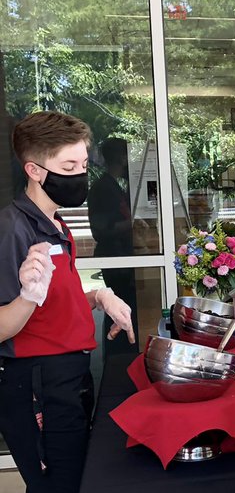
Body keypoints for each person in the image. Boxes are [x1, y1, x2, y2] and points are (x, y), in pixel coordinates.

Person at [0, 111, 134, 493]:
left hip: (67, 377)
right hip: (36, 387)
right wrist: (27, 296)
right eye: (69, 166)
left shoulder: (52, 221)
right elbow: (6, 324)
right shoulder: (13, 227)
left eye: (84, 162)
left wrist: (98, 296)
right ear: (35, 169)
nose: (81, 174)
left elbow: (57, 292)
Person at [87, 136, 138, 348]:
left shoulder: (116, 185)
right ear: (120, 157)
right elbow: (104, 229)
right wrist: (133, 223)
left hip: (122, 255)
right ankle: (117, 352)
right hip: (115, 258)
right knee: (117, 307)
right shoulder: (102, 188)